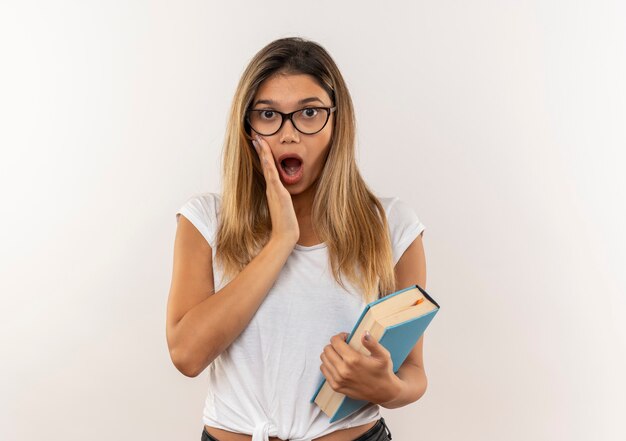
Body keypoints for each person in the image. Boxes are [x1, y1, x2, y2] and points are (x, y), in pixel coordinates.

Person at [166, 37, 428, 441]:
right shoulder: (206, 220)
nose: (289, 134)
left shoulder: (391, 225)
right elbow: (187, 355)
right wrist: (281, 241)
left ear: (337, 122)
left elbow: (412, 372)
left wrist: (388, 388)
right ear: (247, 127)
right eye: (268, 114)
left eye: (309, 113)